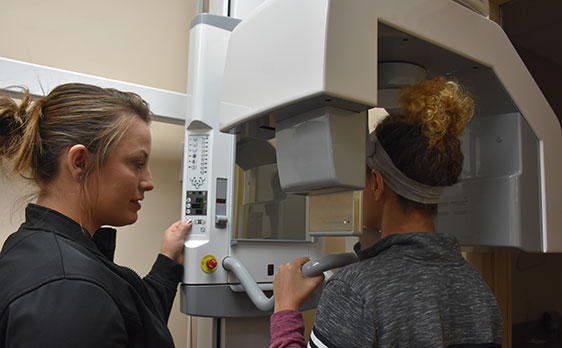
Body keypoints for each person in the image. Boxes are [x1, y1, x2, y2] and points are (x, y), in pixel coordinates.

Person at [269, 76, 504, 348]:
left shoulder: (356, 290)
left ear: (377, 183)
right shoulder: (478, 289)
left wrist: (285, 310)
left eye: (364, 179)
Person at [0, 83, 191, 347]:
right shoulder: (68, 288)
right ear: (80, 162)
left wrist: (167, 263)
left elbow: (126, 321)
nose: (148, 182)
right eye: (137, 163)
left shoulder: (36, 250)